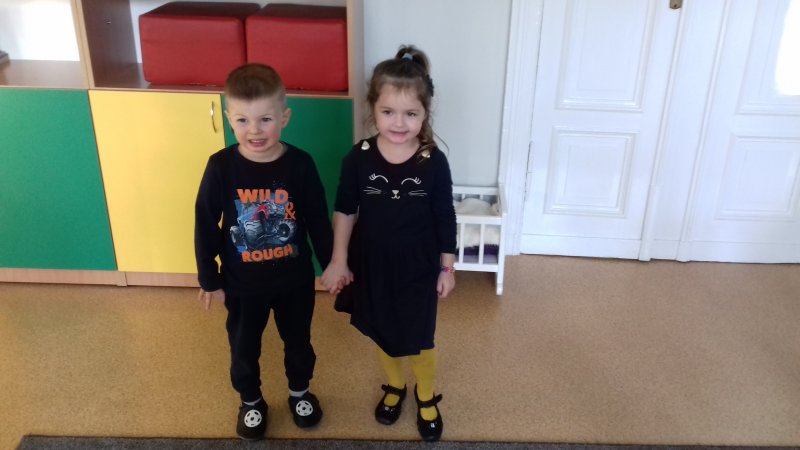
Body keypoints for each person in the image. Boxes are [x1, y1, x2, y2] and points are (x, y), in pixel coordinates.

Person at [321, 45, 456, 442]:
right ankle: (395, 385)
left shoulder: (433, 161)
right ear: (373, 109)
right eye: (388, 112)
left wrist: (447, 267)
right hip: (372, 261)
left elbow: (444, 215)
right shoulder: (358, 158)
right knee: (384, 330)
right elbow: (345, 209)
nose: (399, 123)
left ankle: (426, 394)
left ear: (425, 113)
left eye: (411, 113)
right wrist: (339, 260)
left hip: (419, 264)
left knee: (419, 336)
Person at [194, 63, 331, 441]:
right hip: (241, 285)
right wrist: (209, 278)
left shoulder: (300, 164)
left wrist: (333, 265)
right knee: (243, 347)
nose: (254, 130)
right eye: (243, 120)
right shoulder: (220, 167)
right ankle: (250, 401)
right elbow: (205, 222)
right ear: (228, 119)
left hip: (294, 281)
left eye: (265, 119)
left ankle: (300, 392)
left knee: (299, 342)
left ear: (284, 118)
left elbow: (318, 219)